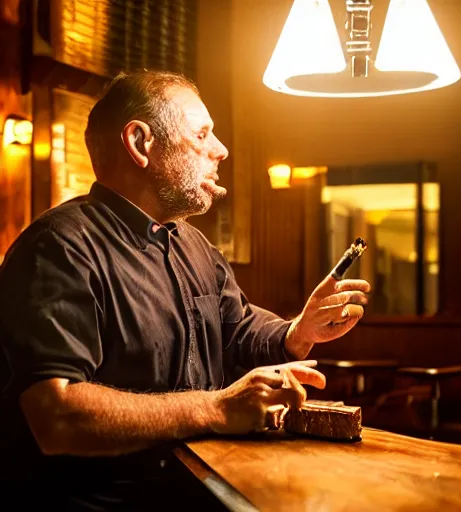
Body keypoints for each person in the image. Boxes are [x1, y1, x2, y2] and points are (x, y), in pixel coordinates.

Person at [0, 71, 370, 507]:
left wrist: (299, 333)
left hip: (196, 490)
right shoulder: (58, 247)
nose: (222, 150)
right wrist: (215, 408)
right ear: (141, 143)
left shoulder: (194, 244)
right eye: (202, 134)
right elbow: (56, 416)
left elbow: (238, 332)